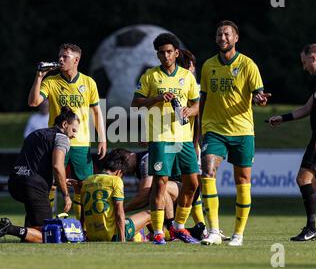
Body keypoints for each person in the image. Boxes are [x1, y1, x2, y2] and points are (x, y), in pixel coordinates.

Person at [199, 20, 271, 246]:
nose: (223, 38)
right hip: (214, 130)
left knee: (243, 180)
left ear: (236, 38)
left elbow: (258, 95)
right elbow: (203, 99)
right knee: (207, 173)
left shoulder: (248, 65)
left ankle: (238, 234)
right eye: (219, 34)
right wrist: (199, 129)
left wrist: (259, 100)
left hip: (242, 131)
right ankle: (214, 231)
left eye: (227, 35)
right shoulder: (208, 65)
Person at [268, 44, 316, 242]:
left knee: (303, 179)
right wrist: (283, 118)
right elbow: (308, 108)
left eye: (304, 63)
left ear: (314, 57)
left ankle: (311, 228)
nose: (304, 67)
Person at [131, 33, 201, 245]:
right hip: (160, 138)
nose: (165, 56)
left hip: (184, 139)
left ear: (176, 53)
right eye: (161, 53)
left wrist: (190, 111)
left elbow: (198, 104)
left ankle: (179, 227)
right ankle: (159, 231)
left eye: (169, 52)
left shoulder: (187, 77)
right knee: (160, 183)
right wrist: (157, 98)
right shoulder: (150, 76)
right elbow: (135, 103)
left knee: (192, 183)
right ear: (157, 55)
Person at [27, 43, 107, 222]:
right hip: (56, 141)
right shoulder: (51, 81)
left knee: (82, 186)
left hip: (80, 143)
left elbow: (96, 112)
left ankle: (82, 226)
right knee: (51, 184)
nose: (60, 59)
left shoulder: (88, 82)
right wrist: (39, 77)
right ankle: (46, 222)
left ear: (76, 60)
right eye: (60, 56)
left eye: (65, 57)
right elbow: (33, 102)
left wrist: (102, 138)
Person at [0, 107, 78, 243]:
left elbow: (35, 163)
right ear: (64, 125)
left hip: (15, 182)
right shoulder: (62, 138)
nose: (74, 135)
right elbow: (58, 166)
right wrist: (66, 195)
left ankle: (26, 233)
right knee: (48, 234)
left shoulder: (36, 133)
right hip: (33, 186)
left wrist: (56, 180)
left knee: (34, 219)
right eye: (74, 130)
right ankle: (9, 228)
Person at [81, 149, 151, 242]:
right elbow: (119, 212)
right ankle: (163, 236)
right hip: (112, 235)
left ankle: (141, 238)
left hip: (92, 235)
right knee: (150, 214)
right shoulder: (115, 180)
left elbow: (83, 212)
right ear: (118, 172)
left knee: (132, 230)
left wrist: (83, 234)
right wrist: (122, 239)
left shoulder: (87, 181)